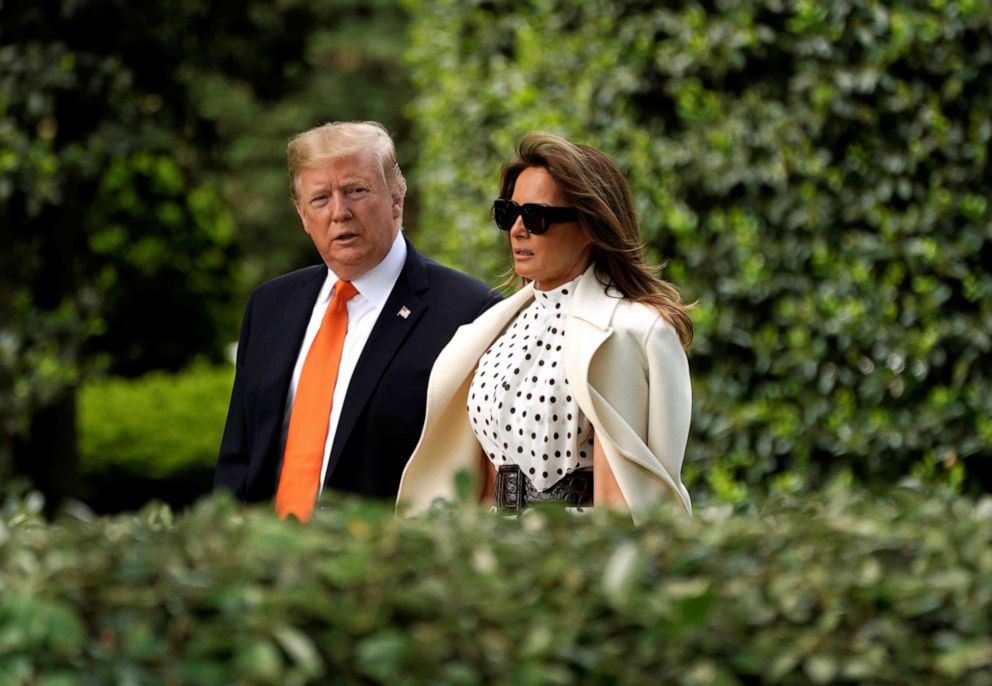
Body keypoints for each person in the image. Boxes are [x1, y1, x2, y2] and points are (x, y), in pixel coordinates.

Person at [396, 133, 693, 524]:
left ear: (590, 225)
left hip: (571, 554)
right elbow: (486, 474)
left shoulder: (626, 331)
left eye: (536, 217)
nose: (517, 229)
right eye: (508, 213)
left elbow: (620, 494)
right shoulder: (495, 329)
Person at [215, 121, 500, 521]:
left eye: (356, 191)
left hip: (387, 568)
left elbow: (484, 477)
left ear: (396, 200)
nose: (339, 212)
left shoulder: (470, 313)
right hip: (266, 565)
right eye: (320, 198)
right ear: (302, 215)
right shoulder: (270, 306)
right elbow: (239, 457)